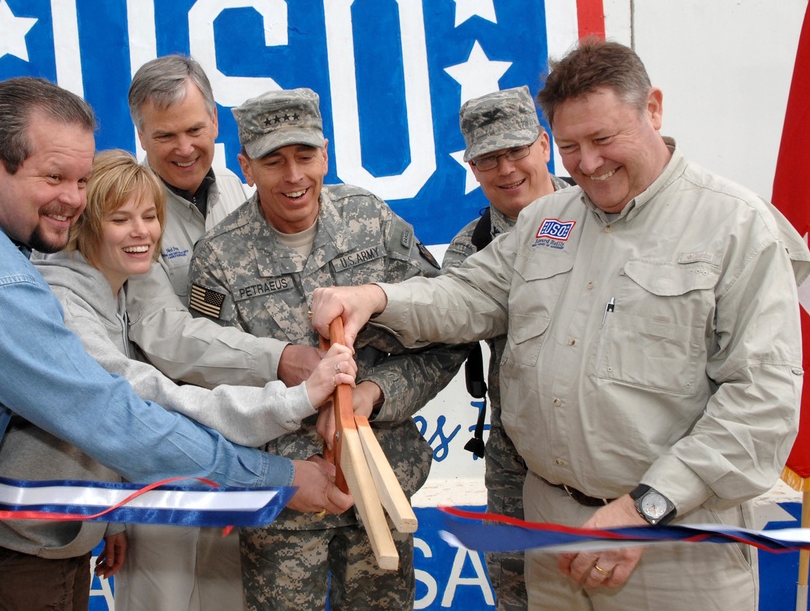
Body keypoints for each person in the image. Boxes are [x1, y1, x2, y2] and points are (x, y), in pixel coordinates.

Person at [0, 77, 351, 611]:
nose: (73, 200)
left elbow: (170, 335)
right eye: (53, 177)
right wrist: (270, 480)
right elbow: (113, 414)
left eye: (81, 180)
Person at [311, 39, 810, 610]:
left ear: (653, 110)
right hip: (551, 530)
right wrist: (374, 298)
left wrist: (644, 507)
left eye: (603, 139)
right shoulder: (549, 220)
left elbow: (761, 401)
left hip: (669, 536)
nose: (588, 164)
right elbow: (468, 293)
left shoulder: (736, 227)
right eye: (571, 147)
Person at [0, 149, 357, 611]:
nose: (142, 231)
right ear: (87, 224)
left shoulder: (113, 294)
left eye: (149, 215)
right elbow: (146, 401)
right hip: (19, 542)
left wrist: (113, 520)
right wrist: (294, 400)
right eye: (121, 219)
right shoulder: (62, 304)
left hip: (56, 534)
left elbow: (103, 429)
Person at [188, 88, 467, 610]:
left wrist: (374, 394)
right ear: (245, 167)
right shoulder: (219, 259)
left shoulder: (374, 222)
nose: (294, 176)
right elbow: (212, 383)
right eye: (273, 161)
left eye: (305, 155)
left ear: (326, 153)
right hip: (285, 500)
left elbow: (446, 333)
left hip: (381, 489)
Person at [119, 55, 323, 611]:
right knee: (160, 599)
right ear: (140, 134)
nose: (184, 147)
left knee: (229, 598)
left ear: (215, 119)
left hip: (247, 440)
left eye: (194, 129)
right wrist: (279, 359)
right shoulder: (127, 211)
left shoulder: (238, 190)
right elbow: (164, 335)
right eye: (164, 135)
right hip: (163, 445)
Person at [442, 85, 570, 611]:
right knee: (518, 593)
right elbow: (438, 335)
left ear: (544, 144)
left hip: (613, 450)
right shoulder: (468, 250)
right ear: (473, 168)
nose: (506, 169)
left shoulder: (602, 217)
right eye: (489, 158)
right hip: (516, 457)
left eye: (516, 151)